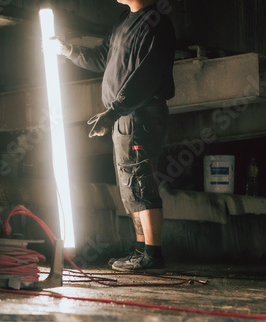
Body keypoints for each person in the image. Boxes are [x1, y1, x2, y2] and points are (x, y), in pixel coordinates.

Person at [53, 0, 176, 273]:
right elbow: (102, 57)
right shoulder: (124, 20)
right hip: (125, 115)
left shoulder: (156, 23)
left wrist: (114, 111)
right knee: (130, 182)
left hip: (139, 114)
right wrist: (67, 50)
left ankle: (153, 255)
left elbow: (147, 77)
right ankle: (141, 251)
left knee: (140, 179)